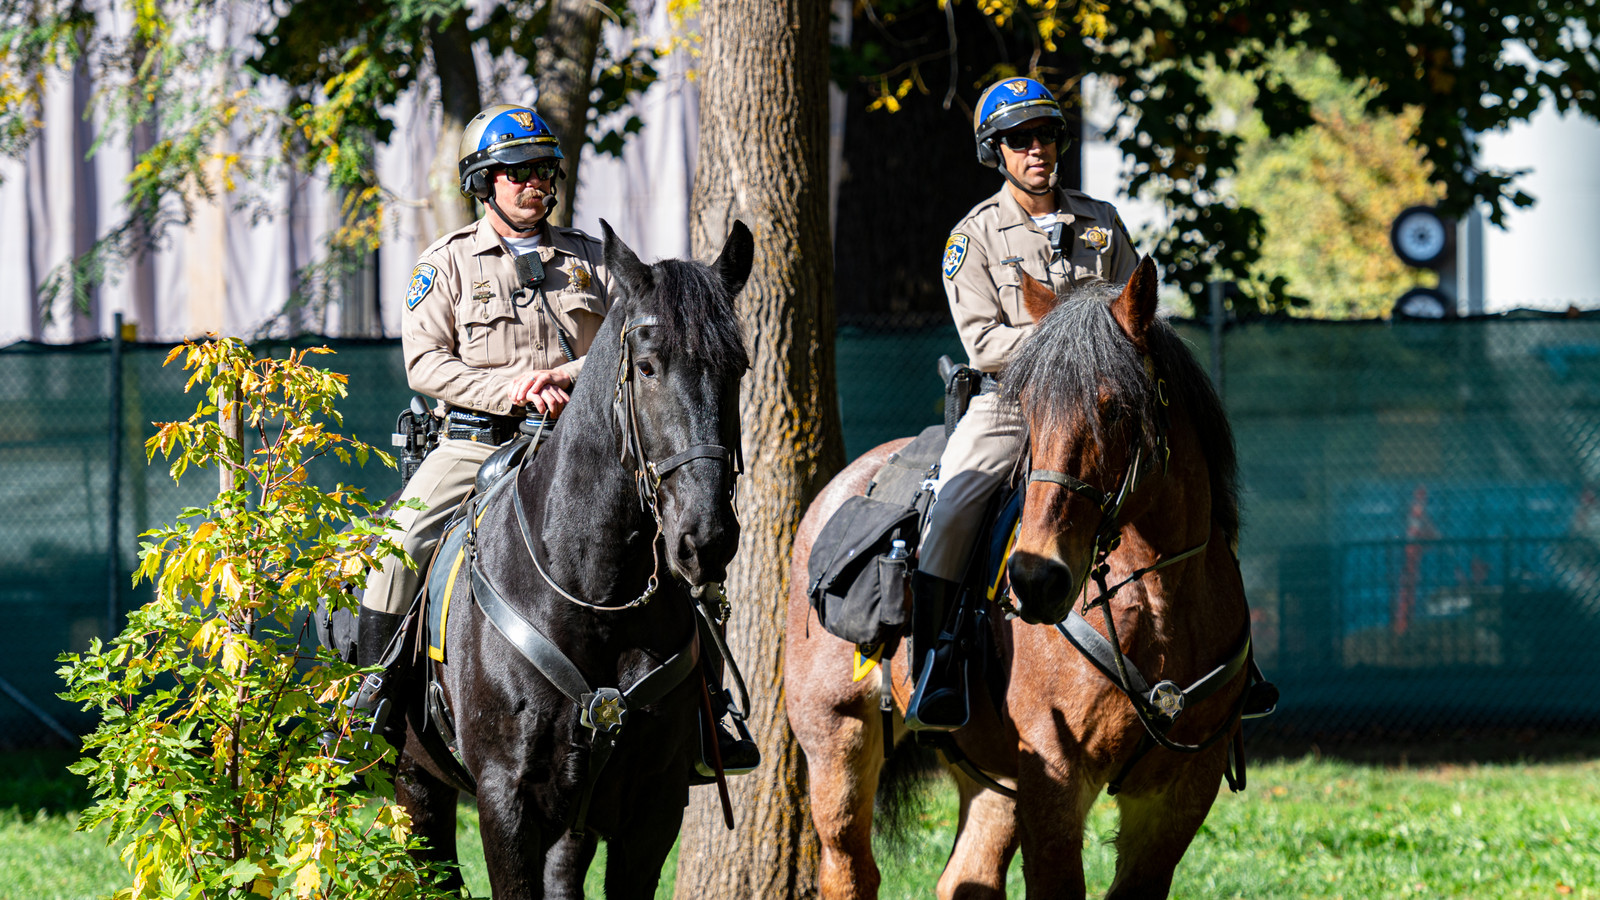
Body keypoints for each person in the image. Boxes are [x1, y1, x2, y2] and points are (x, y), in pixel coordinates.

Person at [350, 102, 613, 731]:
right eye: (516, 172)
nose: (534, 184)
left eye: (543, 170)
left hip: (584, 446)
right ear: (482, 182)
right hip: (477, 446)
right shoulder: (446, 263)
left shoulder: (594, 260)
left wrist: (565, 377)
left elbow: (622, 345)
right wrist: (515, 392)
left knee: (674, 531)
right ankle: (374, 689)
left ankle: (707, 708)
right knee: (398, 544)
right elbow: (427, 368)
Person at [905, 77, 1140, 731]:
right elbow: (982, 342)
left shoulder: (1103, 222)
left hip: (1099, 402)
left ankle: (1234, 662)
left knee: (1187, 468)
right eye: (1019, 139)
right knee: (951, 506)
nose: (1036, 149)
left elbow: (1131, 312)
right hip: (1011, 403)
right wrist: (1068, 339)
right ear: (996, 151)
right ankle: (935, 671)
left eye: (1045, 135)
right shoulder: (973, 236)